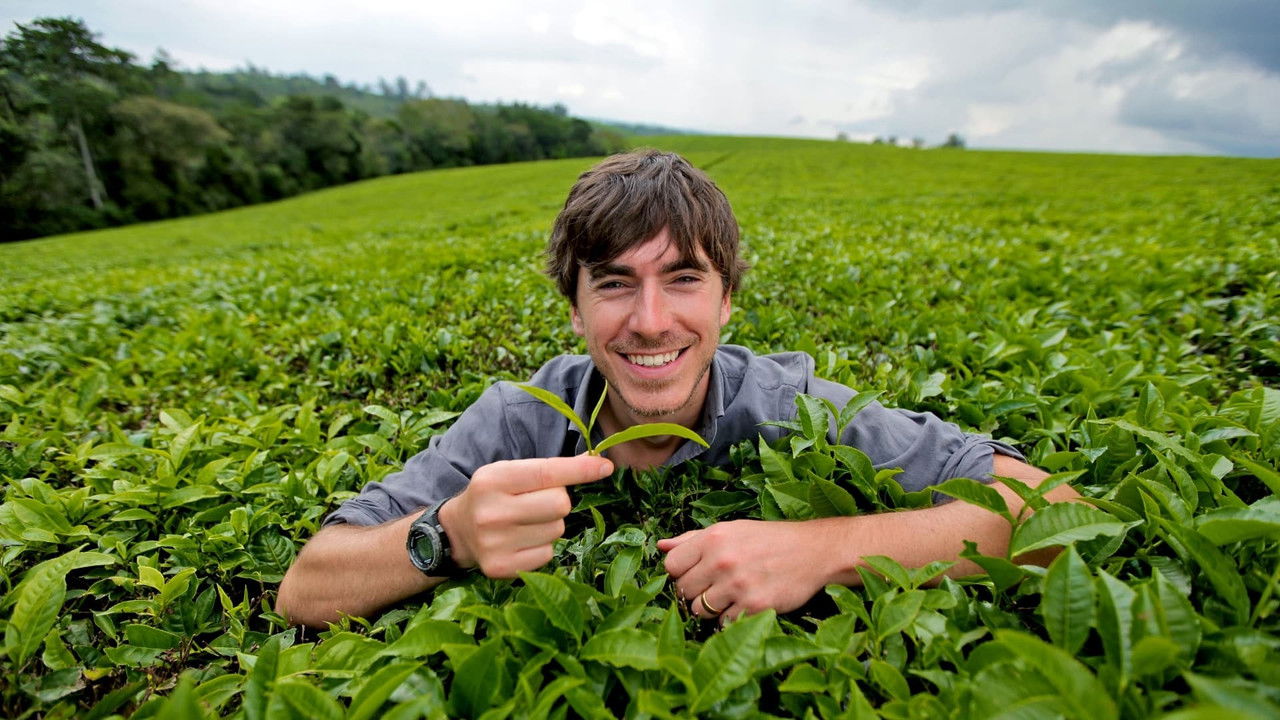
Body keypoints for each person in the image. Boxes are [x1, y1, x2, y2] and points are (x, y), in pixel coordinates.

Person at [277, 149, 1077, 628]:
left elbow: (1061, 515)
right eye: (615, 284)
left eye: (685, 279)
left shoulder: (792, 408)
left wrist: (826, 551)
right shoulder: (519, 422)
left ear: (728, 300)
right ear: (576, 307)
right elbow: (307, 586)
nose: (651, 322)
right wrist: (447, 535)